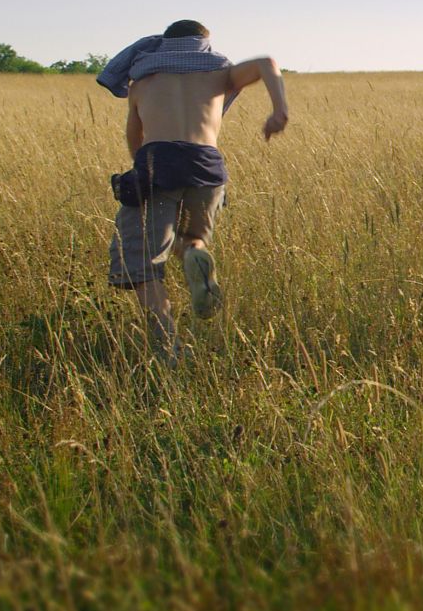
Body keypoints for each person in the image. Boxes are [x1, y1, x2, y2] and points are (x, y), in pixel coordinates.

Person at [99, 19, 290, 365]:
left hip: (158, 162)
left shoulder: (142, 82)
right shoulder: (218, 74)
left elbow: (134, 135)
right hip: (208, 166)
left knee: (142, 264)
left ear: (164, 44)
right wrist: (280, 111)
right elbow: (267, 62)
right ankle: (193, 254)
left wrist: (144, 169)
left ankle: (168, 347)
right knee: (191, 239)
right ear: (203, 44)